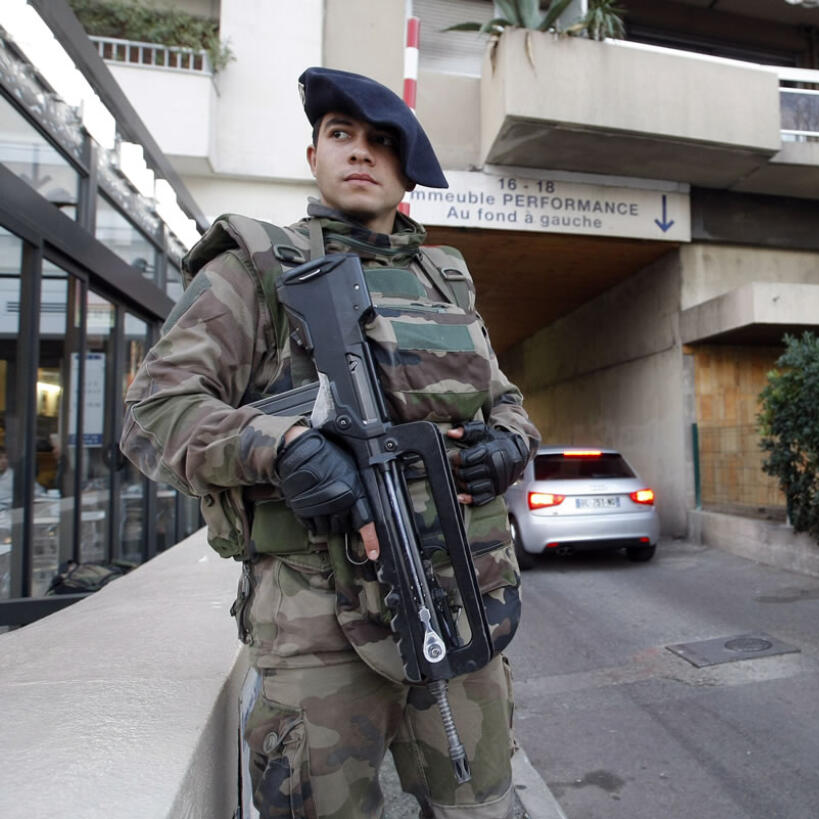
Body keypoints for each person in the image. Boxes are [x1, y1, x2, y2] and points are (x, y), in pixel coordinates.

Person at [121, 67, 540, 818]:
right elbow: (153, 412)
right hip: (318, 630)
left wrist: (508, 443)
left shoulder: (444, 280)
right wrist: (277, 446)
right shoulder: (255, 269)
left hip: (464, 604)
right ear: (311, 153)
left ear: (405, 172)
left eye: (382, 142)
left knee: (480, 807)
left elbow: (504, 400)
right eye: (340, 135)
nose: (360, 153)